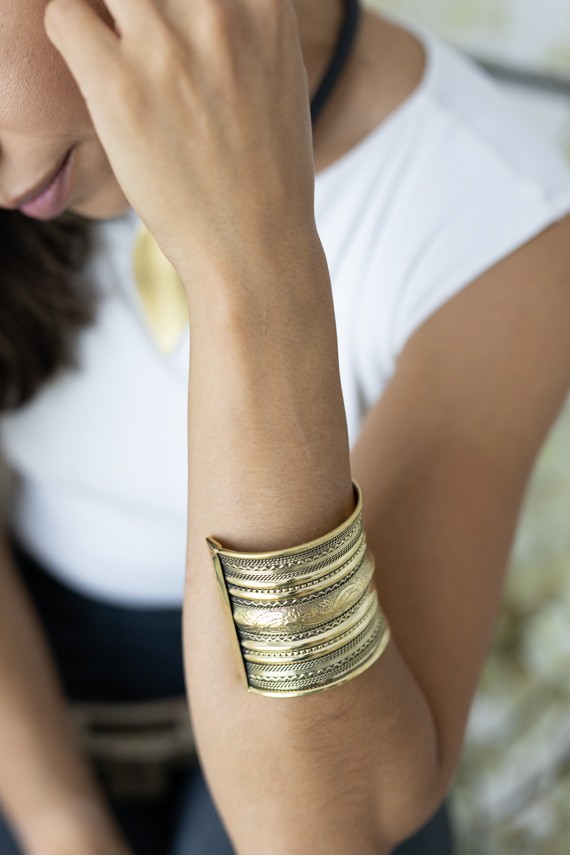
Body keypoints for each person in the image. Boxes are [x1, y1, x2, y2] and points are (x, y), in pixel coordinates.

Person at [0, 0, 570, 853]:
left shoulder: (496, 224)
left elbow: (319, 827)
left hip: (321, 735)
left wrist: (250, 263)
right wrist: (61, 823)